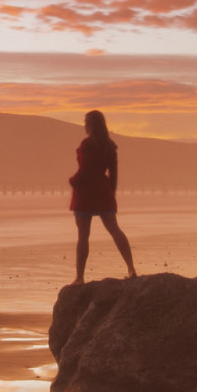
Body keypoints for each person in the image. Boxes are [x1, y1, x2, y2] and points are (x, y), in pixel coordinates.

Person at [68, 109, 138, 284]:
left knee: (83, 235)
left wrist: (73, 181)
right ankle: (131, 268)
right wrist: (111, 193)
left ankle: (80, 277)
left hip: (85, 192)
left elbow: (85, 170)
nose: (84, 125)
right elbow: (113, 173)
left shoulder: (87, 144)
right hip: (102, 190)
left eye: (86, 122)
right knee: (115, 230)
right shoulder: (109, 145)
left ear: (91, 124)